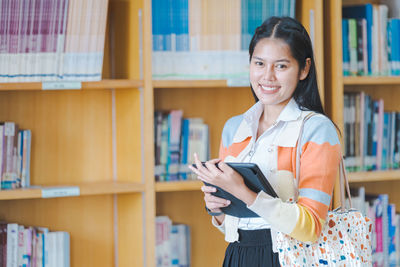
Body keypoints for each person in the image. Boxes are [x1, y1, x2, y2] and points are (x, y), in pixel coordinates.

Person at [188, 16, 342, 267]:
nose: (267, 76)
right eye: (259, 63)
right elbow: (233, 226)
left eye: (281, 66)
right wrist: (217, 208)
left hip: (291, 257)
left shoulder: (317, 130)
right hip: (239, 255)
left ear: (304, 69)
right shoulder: (234, 128)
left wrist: (243, 192)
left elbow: (311, 227)